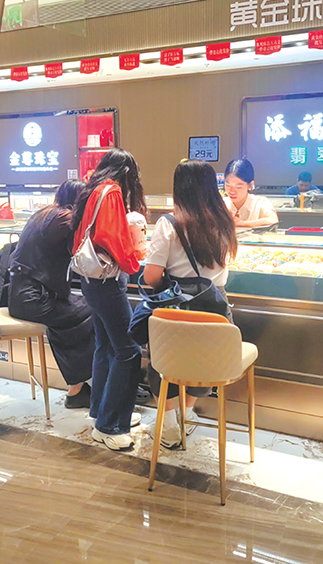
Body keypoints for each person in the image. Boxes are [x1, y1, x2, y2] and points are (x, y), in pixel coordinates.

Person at [143, 160, 238, 448]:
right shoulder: (225, 221)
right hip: (215, 308)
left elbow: (150, 277)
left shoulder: (170, 224)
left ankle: (170, 427)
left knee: (163, 362)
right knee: (203, 362)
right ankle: (186, 414)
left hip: (176, 310)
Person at [72, 148, 147, 451]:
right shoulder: (112, 192)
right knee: (128, 350)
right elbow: (112, 238)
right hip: (108, 282)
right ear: (127, 173)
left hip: (91, 281)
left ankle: (101, 411)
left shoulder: (93, 190)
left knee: (105, 345)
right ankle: (110, 425)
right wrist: (134, 262)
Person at [8, 180, 93, 408]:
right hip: (36, 299)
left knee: (69, 317)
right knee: (94, 310)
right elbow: (85, 245)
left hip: (22, 297)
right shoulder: (65, 218)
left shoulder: (44, 214)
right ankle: (88, 386)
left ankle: (77, 388)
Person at [223, 159, 278, 228]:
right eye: (228, 185)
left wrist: (242, 223)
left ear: (250, 185)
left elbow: (273, 220)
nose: (232, 191)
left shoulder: (260, 202)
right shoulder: (222, 203)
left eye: (238, 187)